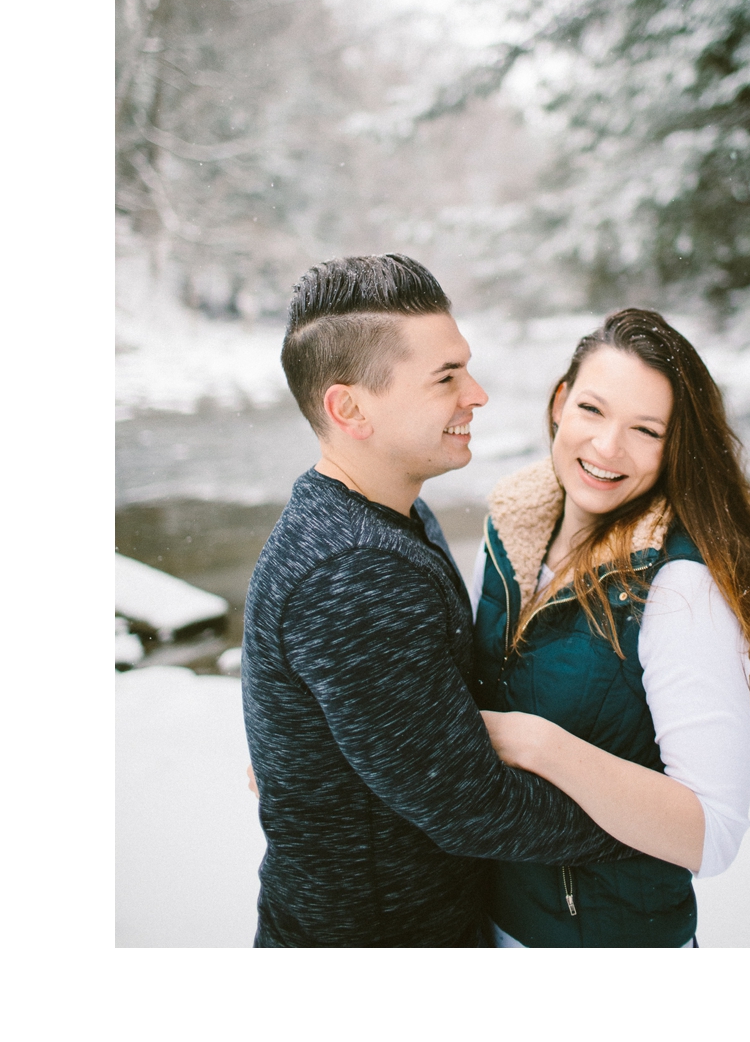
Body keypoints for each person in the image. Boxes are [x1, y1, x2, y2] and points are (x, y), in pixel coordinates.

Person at [241, 255, 642, 947]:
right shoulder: (354, 571)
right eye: (446, 378)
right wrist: (646, 824)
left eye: (467, 367)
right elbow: (471, 807)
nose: (477, 394)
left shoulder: (385, 518)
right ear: (350, 409)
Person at [468, 309, 750, 948]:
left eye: (646, 429)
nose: (608, 447)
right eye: (592, 409)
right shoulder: (512, 528)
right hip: (492, 923)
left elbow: (712, 831)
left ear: (676, 448)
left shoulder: (676, 587)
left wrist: (538, 744)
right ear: (560, 403)